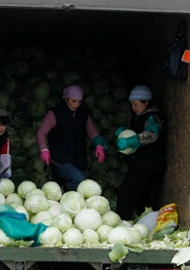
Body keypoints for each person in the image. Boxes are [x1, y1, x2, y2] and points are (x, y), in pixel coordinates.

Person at [36, 85, 107, 191]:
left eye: (79, 102)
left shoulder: (83, 115)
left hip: (79, 161)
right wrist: (44, 149)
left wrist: (99, 144)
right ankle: (61, 190)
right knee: (80, 180)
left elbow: (92, 133)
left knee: (83, 188)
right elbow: (41, 133)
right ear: (66, 98)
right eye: (73, 101)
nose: (76, 105)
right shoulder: (55, 114)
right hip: (60, 161)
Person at [115, 85, 166, 220]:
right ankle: (141, 225)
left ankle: (122, 223)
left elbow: (152, 135)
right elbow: (132, 130)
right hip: (140, 165)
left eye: (136, 104)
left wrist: (133, 141)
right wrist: (123, 132)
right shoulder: (138, 116)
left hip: (149, 165)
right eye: (131, 104)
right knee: (142, 199)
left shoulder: (153, 117)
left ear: (146, 102)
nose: (133, 107)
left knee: (126, 193)